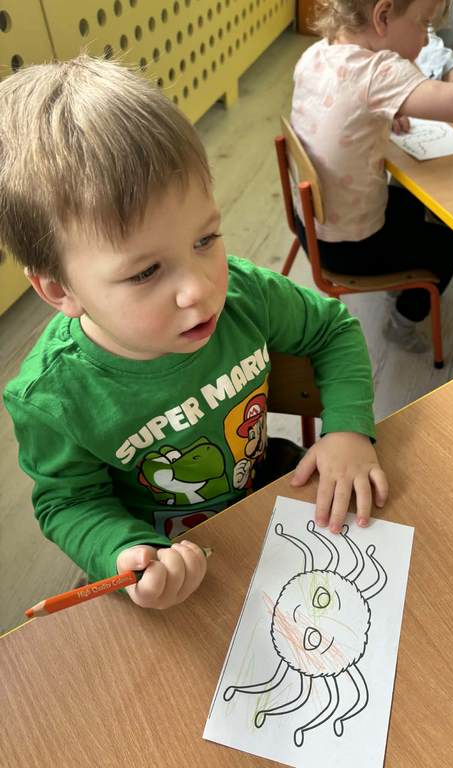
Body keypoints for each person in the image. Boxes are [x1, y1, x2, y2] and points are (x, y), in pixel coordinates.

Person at [1, 57, 388, 611]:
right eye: (145, 272)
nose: (200, 289)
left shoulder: (245, 294)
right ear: (60, 289)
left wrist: (348, 428)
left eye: (205, 240)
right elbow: (69, 503)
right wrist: (121, 550)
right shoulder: (53, 397)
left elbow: (331, 329)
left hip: (261, 492)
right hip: (161, 558)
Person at [291, 0, 453, 352]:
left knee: (413, 204)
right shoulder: (378, 71)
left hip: (309, 225)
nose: (425, 39)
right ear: (382, 16)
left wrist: (388, 109)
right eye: (423, 24)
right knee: (446, 246)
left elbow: (346, 105)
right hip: (347, 249)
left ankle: (398, 283)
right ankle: (402, 323)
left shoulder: (316, 53)